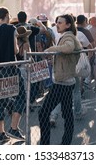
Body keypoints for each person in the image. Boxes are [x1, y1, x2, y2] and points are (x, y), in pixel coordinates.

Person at [38, 14, 81, 145]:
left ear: (68, 25)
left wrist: (51, 49)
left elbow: (68, 48)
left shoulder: (68, 36)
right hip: (65, 81)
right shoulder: (66, 36)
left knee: (43, 112)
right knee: (67, 115)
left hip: (62, 83)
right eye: (56, 22)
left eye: (60, 22)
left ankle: (45, 144)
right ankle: (65, 143)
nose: (57, 24)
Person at [0, 7, 26, 143]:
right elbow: (16, 50)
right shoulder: (11, 29)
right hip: (10, 67)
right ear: (6, 15)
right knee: (21, 96)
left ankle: (0, 133)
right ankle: (14, 128)